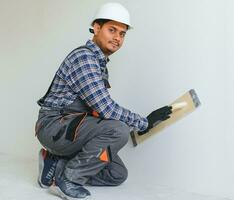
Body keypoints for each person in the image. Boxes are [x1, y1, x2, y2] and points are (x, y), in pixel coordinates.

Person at [35, 2, 172, 200]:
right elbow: (105, 108)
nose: (117, 38)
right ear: (97, 28)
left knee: (116, 174)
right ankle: (68, 181)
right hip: (53, 126)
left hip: (70, 127)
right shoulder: (85, 58)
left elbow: (98, 109)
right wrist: (143, 122)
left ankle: (54, 166)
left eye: (122, 33)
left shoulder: (98, 63)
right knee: (118, 130)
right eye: (112, 30)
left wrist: (139, 122)